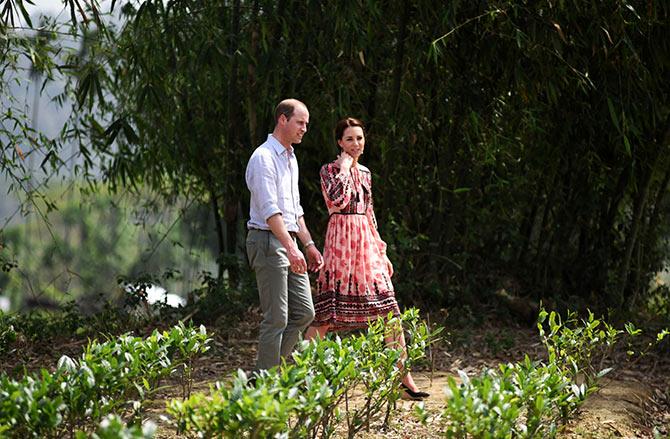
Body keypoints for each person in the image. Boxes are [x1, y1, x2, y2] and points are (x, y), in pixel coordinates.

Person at [304, 117, 429, 400]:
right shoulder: (329, 170)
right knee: (326, 315)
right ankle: (301, 375)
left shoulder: (367, 173)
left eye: (359, 138)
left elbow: (370, 213)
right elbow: (336, 201)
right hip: (340, 244)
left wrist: (380, 251)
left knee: (389, 311)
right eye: (349, 139)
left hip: (365, 244)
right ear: (339, 142)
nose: (355, 144)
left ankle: (404, 378)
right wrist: (345, 169)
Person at [245, 98, 324, 371]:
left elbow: (294, 209)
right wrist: (291, 248)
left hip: (287, 239)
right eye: (300, 122)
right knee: (277, 318)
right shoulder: (263, 157)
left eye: (306, 124)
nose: (304, 129)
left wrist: (309, 245)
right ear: (282, 119)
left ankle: (267, 374)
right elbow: (270, 210)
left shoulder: (291, 158)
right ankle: (264, 384)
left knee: (304, 313)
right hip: (267, 239)